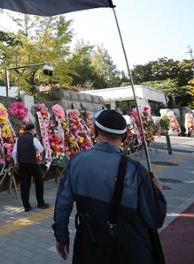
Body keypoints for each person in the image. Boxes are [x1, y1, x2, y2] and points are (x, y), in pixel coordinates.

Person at [52, 110, 166, 263]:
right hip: (129, 250)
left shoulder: (76, 162)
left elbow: (62, 206)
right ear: (124, 137)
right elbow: (155, 218)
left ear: (94, 132)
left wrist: (61, 238)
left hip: (89, 246)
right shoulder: (135, 170)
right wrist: (158, 190)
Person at [12, 123, 49, 211]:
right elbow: (41, 149)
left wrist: (16, 162)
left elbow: (14, 153)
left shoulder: (19, 139)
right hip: (32, 163)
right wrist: (35, 150)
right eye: (35, 130)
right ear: (32, 130)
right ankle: (40, 203)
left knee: (24, 185)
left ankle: (26, 206)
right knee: (39, 181)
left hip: (22, 164)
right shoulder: (33, 139)